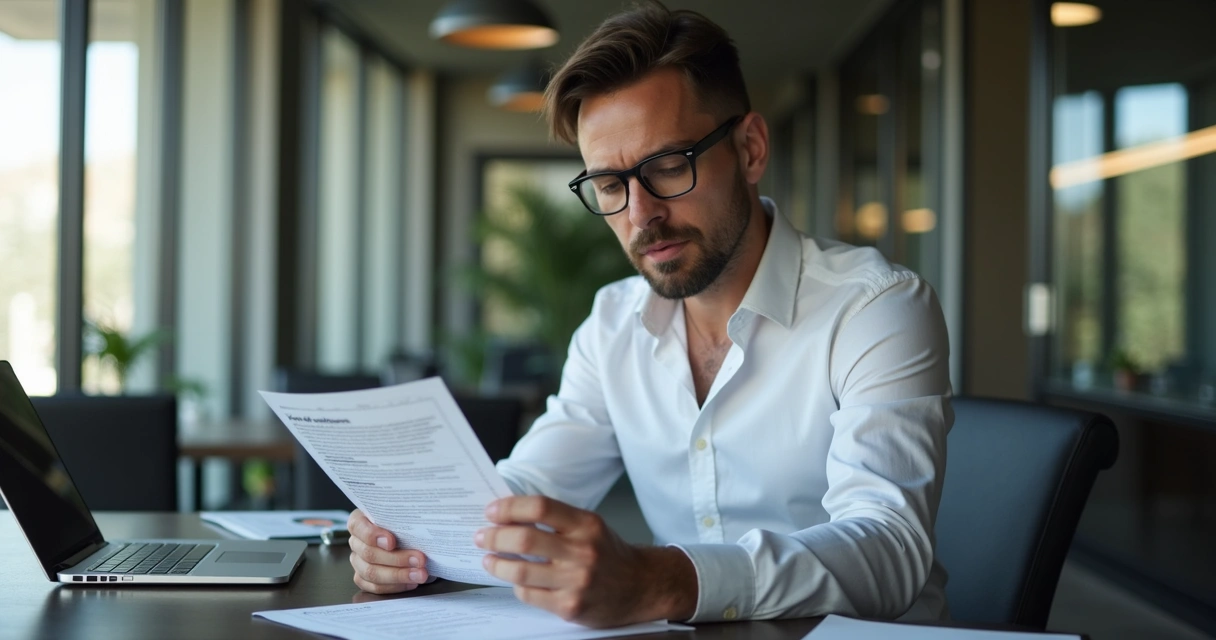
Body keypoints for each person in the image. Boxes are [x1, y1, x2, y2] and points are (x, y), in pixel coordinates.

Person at [347, 1, 952, 628]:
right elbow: (530, 488)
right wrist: (412, 537)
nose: (640, 215)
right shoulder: (612, 325)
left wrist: (662, 581)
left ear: (749, 149)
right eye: (611, 185)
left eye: (667, 167)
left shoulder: (876, 308)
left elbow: (889, 545)